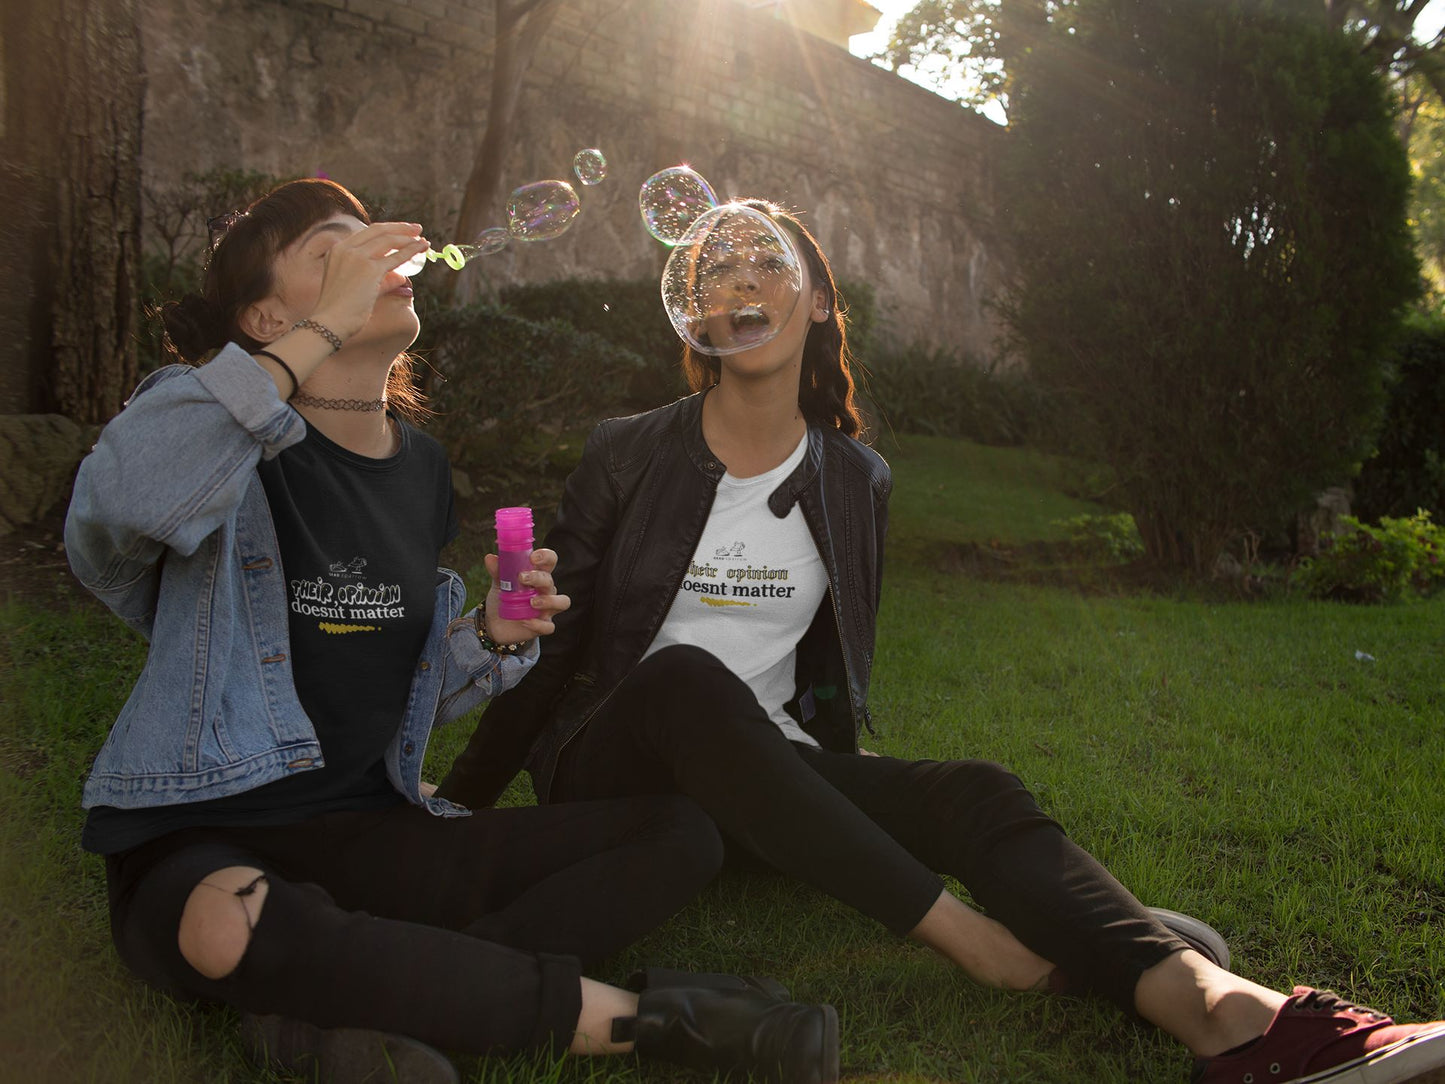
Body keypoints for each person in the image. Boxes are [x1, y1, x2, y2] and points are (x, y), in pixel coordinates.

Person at [436, 198, 1445, 1084]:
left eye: (767, 262)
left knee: (975, 789)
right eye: (717, 271)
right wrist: (458, 808)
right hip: (617, 767)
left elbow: (823, 668)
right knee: (686, 678)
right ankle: (981, 944)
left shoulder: (855, 479)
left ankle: (1225, 1012)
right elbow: (551, 638)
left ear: (818, 305)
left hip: (761, 781)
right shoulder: (627, 449)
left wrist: (839, 782)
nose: (740, 279)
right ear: (693, 316)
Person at [65, 179, 839, 1084]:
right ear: (267, 318)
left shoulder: (419, 469)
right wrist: (318, 333)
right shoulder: (206, 431)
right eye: (333, 253)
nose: (376, 263)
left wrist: (490, 637)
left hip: (370, 831)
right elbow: (122, 504)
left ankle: (340, 999)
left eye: (371, 245)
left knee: (679, 832)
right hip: (207, 832)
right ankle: (663, 1023)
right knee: (224, 923)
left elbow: (376, 685)